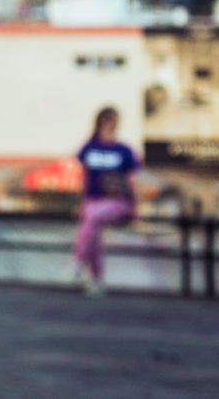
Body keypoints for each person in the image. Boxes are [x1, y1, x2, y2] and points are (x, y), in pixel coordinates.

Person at [73, 107, 138, 297]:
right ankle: (97, 280)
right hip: (94, 201)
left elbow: (133, 180)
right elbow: (84, 178)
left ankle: (79, 260)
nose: (112, 127)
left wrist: (136, 206)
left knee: (91, 218)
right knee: (93, 234)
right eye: (108, 122)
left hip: (118, 202)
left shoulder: (124, 150)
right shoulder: (89, 147)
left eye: (114, 123)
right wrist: (83, 202)